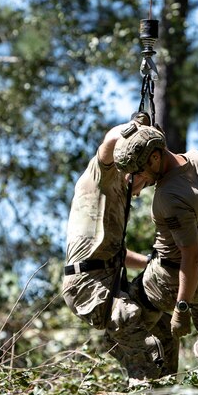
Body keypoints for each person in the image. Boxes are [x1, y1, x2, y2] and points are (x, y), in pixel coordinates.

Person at [61, 121, 169, 381]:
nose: (142, 189)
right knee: (129, 321)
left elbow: (119, 254)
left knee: (160, 322)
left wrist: (150, 263)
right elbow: (109, 142)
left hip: (108, 280)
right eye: (145, 179)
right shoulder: (101, 177)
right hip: (86, 283)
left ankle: (164, 390)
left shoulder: (119, 196)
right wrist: (134, 128)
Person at [113, 124, 198, 368]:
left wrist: (181, 308)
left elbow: (190, 257)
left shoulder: (169, 197)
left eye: (140, 172)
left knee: (118, 325)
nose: (140, 179)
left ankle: (155, 368)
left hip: (169, 283)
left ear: (155, 157)